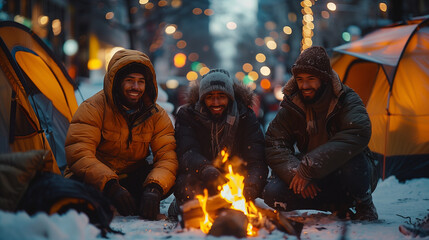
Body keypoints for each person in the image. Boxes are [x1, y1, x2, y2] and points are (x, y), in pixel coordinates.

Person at [263, 46, 378, 221]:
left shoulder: (346, 98)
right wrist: (296, 172)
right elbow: (275, 142)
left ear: (324, 79)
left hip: (344, 173)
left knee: (353, 158)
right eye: (300, 79)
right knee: (273, 192)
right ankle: (334, 206)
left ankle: (364, 204)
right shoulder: (293, 103)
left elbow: (357, 132)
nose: (305, 85)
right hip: (310, 177)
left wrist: (310, 166)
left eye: (311, 79)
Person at [64, 49, 178, 220]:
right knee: (77, 192)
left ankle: (136, 198)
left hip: (131, 176)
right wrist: (110, 186)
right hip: (96, 179)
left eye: (141, 82)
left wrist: (154, 188)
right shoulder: (93, 108)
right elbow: (79, 153)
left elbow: (167, 157)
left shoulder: (156, 114)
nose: (136, 87)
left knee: (166, 182)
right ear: (117, 82)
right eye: (129, 80)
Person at [172, 69, 268, 212]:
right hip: (203, 177)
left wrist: (250, 188)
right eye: (210, 96)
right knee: (186, 185)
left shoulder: (245, 116)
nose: (216, 102)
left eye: (221, 96)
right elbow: (187, 152)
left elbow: (256, 160)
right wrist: (207, 170)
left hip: (237, 179)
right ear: (202, 98)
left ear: (230, 98)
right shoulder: (188, 115)